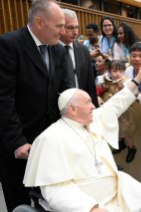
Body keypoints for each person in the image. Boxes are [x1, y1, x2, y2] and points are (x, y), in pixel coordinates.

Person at [23, 59, 141, 212]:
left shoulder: (95, 119)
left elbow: (118, 101)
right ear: (72, 109)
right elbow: (56, 190)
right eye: (88, 102)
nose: (93, 106)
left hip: (118, 189)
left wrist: (138, 79)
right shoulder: (51, 138)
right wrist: (91, 208)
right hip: (87, 201)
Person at [0, 0, 70, 211]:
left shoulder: (58, 50)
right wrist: (17, 141)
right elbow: (4, 99)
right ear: (40, 22)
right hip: (19, 144)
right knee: (19, 200)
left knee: (49, 199)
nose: (63, 31)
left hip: (48, 141)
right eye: (59, 26)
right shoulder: (8, 45)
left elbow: (64, 93)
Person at [59, 9, 98, 107]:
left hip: (82, 107)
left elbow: (90, 85)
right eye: (70, 28)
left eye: (77, 27)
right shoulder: (49, 50)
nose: (76, 32)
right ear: (59, 27)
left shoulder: (84, 51)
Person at [100, 61, 138, 163]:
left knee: (125, 131)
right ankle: (120, 144)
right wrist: (105, 86)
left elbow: (131, 93)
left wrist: (124, 90)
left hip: (123, 111)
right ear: (109, 71)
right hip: (113, 110)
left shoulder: (126, 81)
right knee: (115, 128)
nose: (117, 74)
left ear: (124, 72)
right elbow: (103, 85)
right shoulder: (108, 80)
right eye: (115, 71)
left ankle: (131, 148)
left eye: (120, 71)